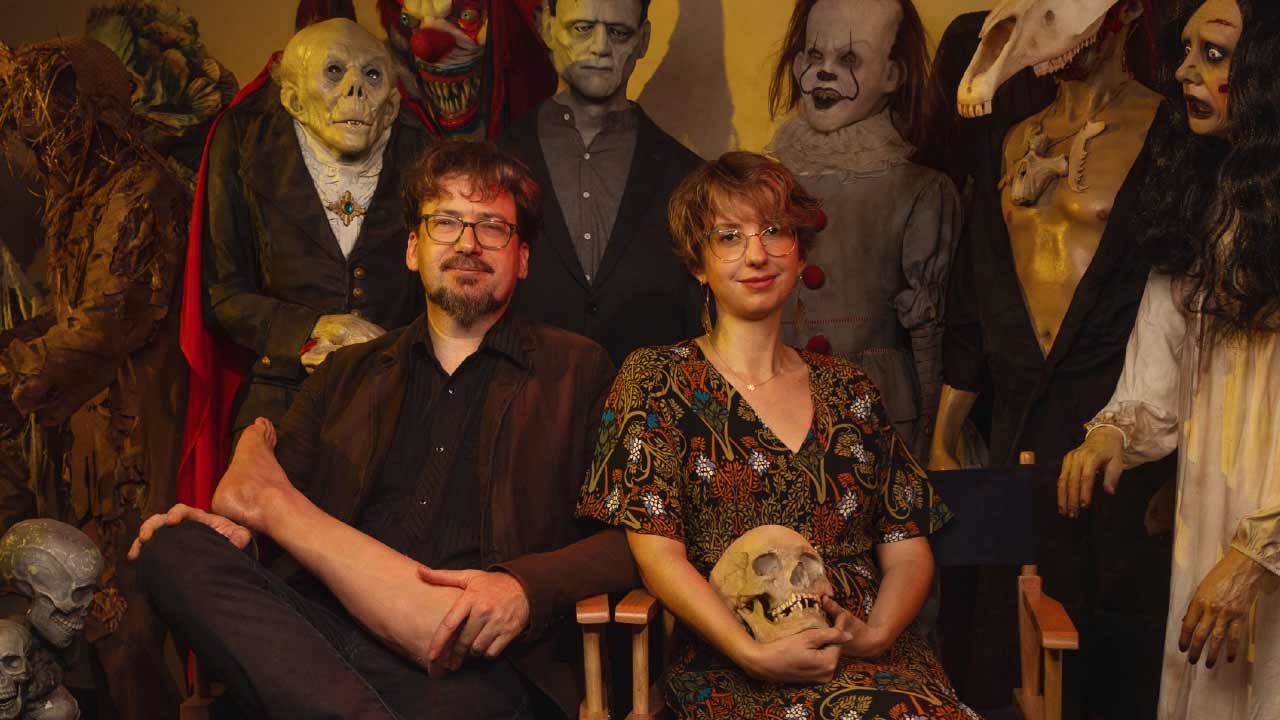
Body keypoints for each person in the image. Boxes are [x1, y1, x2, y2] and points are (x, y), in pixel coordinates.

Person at [132, 140, 639, 720]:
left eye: (493, 227)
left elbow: (631, 540)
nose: (468, 243)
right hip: (321, 638)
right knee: (171, 547)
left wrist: (523, 587)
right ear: (412, 249)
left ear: (522, 257)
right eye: (445, 221)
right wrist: (234, 532)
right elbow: (253, 529)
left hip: (471, 665)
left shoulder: (578, 369)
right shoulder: (346, 374)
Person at [577, 152, 975, 720]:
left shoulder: (851, 389)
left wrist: (876, 635)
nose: (756, 253)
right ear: (699, 261)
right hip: (732, 665)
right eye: (729, 236)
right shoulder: (656, 381)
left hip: (874, 662)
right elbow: (657, 557)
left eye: (774, 231)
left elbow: (907, 544)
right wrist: (751, 654)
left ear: (799, 249)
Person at [929, 0, 1176, 714]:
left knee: (1106, 647)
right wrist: (947, 425)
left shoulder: (1168, 136)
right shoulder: (1013, 138)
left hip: (1115, 427)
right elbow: (976, 294)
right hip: (1016, 428)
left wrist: (1177, 468)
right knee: (1007, 645)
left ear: (1125, 13)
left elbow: (1183, 310)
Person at [1059, 1, 1280, 717]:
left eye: (1214, 54)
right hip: (1217, 514)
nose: (1185, 68)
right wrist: (1113, 433)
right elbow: (1160, 360)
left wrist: (1258, 554)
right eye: (1187, 49)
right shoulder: (1207, 203)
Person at [0, 35, 199, 718]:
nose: (44, 152)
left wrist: (11, 372)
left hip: (130, 432)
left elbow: (106, 323)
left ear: (90, 115)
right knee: (78, 620)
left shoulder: (142, 188)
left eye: (56, 131)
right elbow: (64, 315)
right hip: (79, 432)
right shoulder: (76, 195)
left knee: (123, 617)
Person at [766, 0, 961, 461]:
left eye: (850, 59)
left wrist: (936, 440)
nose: (826, 73)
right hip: (777, 415)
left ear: (892, 75)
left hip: (879, 422)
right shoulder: (765, 182)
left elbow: (931, 335)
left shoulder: (920, 190)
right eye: (815, 57)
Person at [499, 0, 703, 366]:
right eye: (581, 28)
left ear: (643, 40)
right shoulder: (494, 162)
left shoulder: (689, 177)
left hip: (650, 412)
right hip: (520, 405)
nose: (599, 47)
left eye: (618, 32)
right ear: (547, 28)